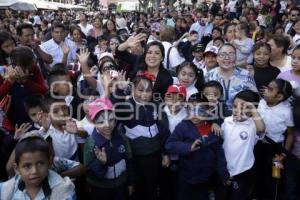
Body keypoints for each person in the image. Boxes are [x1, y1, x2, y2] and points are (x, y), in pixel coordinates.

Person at [165, 94, 230, 200]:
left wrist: (224, 175)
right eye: (190, 110)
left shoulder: (214, 129)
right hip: (185, 177)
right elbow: (169, 145)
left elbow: (219, 155)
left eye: (199, 110)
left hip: (205, 178)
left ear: (208, 110)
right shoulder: (183, 126)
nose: (194, 114)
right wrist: (188, 147)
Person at [83, 97, 133, 200]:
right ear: (94, 121)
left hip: (121, 185)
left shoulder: (122, 137)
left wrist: (131, 182)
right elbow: (88, 170)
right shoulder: (91, 143)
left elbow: (129, 160)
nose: (107, 125)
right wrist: (100, 162)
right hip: (101, 188)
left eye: (111, 120)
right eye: (101, 122)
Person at [219, 90, 265, 200]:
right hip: (224, 169)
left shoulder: (253, 125)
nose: (237, 110)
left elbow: (261, 129)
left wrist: (253, 109)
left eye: (243, 107)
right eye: (235, 106)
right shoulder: (227, 121)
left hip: (242, 170)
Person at [0, 135, 76, 200]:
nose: (34, 171)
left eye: (40, 164)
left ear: (49, 163)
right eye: (27, 166)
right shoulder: (6, 189)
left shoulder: (64, 189)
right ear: (17, 168)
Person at [254, 79, 294, 199]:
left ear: (280, 96)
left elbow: (290, 134)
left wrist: (283, 153)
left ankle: (273, 196)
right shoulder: (261, 103)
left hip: (276, 149)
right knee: (258, 172)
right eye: (267, 87)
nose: (265, 90)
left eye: (270, 89)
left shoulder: (286, 112)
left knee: (274, 175)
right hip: (257, 145)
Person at [205, 44, 257, 116]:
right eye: (222, 55)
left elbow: (255, 99)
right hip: (214, 118)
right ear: (217, 58)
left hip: (241, 118)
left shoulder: (246, 75)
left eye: (231, 54)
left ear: (236, 57)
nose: (227, 58)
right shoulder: (208, 76)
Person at [160, 84, 188, 200]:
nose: (174, 101)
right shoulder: (161, 113)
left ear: (184, 101)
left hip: (181, 158)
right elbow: (159, 136)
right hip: (163, 157)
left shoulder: (187, 116)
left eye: (179, 98)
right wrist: (164, 153)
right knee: (165, 185)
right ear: (165, 98)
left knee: (179, 186)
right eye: (170, 97)